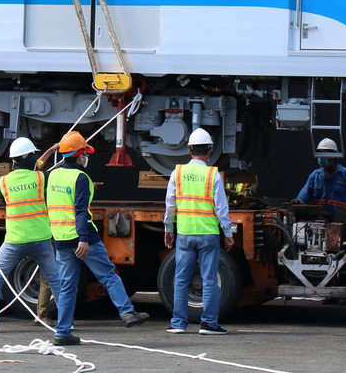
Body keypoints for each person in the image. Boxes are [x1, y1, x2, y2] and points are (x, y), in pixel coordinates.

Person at [47, 130, 149, 345]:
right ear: (78, 155)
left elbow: (41, 172)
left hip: (61, 239)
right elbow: (81, 210)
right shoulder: (81, 178)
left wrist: (52, 149)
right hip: (84, 238)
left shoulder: (52, 175)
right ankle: (127, 312)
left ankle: (62, 332)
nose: (87, 156)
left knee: (67, 287)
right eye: (85, 152)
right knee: (109, 275)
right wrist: (83, 238)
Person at [0, 137, 62, 333]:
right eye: (32, 155)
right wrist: (53, 150)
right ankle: (66, 322)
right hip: (41, 240)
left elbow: (34, 166)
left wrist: (49, 150)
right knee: (55, 280)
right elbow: (39, 169)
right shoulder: (42, 178)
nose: (35, 158)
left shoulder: (4, 182)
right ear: (25, 158)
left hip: (15, 240)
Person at [164, 128, 235, 335]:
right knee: (210, 279)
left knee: (181, 278)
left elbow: (170, 205)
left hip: (184, 233)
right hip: (208, 234)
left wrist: (169, 229)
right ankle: (209, 324)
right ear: (210, 152)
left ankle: (178, 323)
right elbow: (222, 208)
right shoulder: (213, 174)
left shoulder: (177, 173)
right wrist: (228, 233)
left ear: (189, 150)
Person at [295, 138, 346, 217]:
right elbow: (302, 200)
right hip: (319, 223)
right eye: (319, 154)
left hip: (341, 223)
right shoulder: (315, 176)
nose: (321, 158)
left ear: (334, 156)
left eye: (324, 154)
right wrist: (297, 203)